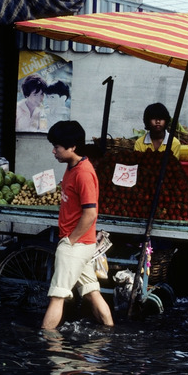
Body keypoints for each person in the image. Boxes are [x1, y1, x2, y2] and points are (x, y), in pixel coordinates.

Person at [42, 120, 114, 330]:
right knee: (92, 292)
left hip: (75, 244)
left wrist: (70, 241)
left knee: (57, 295)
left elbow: (90, 214)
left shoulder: (83, 172)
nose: (53, 151)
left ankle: (46, 344)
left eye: (57, 146)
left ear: (72, 147)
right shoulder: (72, 167)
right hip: (81, 244)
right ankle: (110, 331)